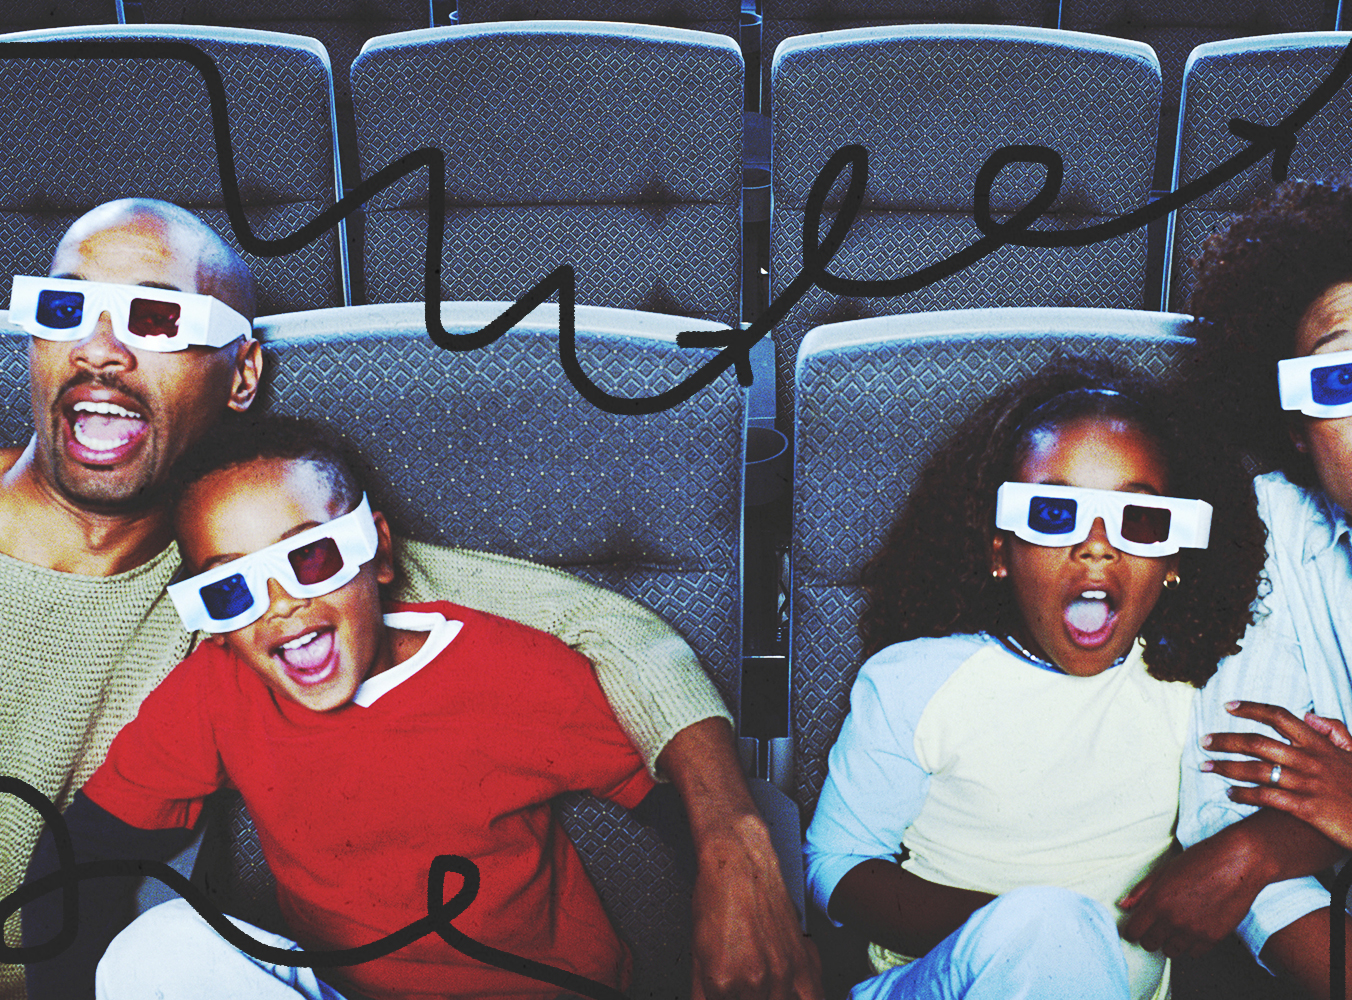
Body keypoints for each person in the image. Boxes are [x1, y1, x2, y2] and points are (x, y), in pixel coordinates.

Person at [0, 198, 818, 1000]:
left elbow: (606, 628)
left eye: (156, 319)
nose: (98, 351)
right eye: (66, 308)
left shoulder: (279, 568)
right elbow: (95, 846)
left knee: (157, 951)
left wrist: (732, 842)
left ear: (242, 372)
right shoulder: (231, 640)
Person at [25, 414, 665, 999]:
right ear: (212, 623)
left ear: (377, 551)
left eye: (310, 557)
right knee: (155, 948)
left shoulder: (513, 671)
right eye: (229, 590)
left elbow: (682, 793)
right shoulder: (216, 691)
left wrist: (735, 900)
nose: (280, 605)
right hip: (339, 988)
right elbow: (84, 850)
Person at [1123, 157, 1352, 1000]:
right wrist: (1271, 844)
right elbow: (1234, 811)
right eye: (1338, 378)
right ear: (1296, 425)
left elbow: (1331, 817)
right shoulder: (1270, 532)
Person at [803, 360, 1265, 1000]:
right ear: (1000, 553)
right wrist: (1024, 935)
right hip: (934, 984)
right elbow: (837, 868)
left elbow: (1310, 811)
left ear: (1174, 562)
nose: (1098, 546)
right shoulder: (916, 680)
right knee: (1049, 926)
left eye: (1140, 519)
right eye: (1055, 514)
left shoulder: (1197, 691)